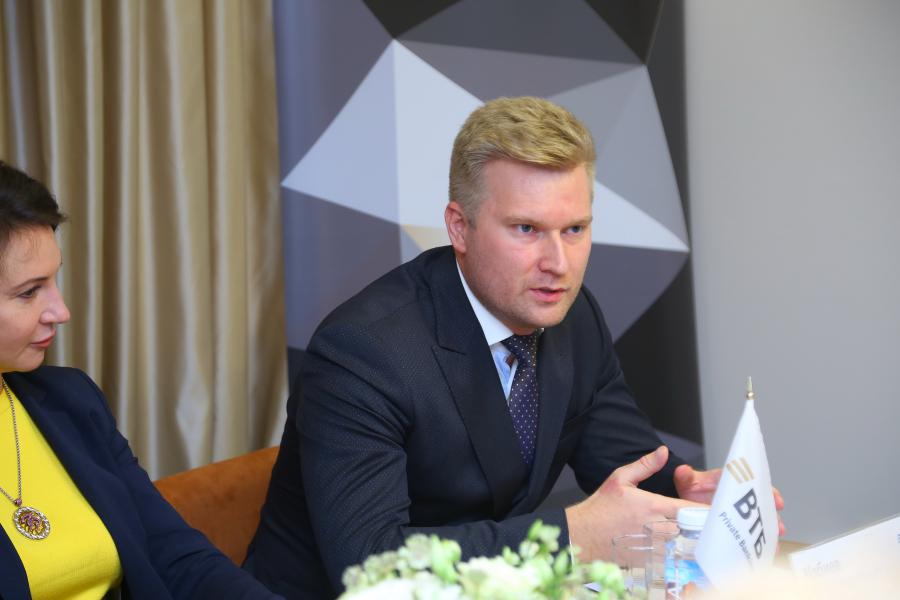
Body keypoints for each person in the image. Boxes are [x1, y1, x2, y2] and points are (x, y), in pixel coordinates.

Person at [245, 97, 783, 598]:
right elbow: (369, 566)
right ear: (460, 227)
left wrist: (686, 496)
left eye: (575, 229)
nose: (559, 264)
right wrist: (574, 534)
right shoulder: (362, 352)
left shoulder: (572, 316)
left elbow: (624, 460)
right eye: (527, 229)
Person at [0, 161, 282, 600]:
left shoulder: (71, 400)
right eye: (29, 292)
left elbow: (175, 555)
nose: (61, 311)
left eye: (54, 281)